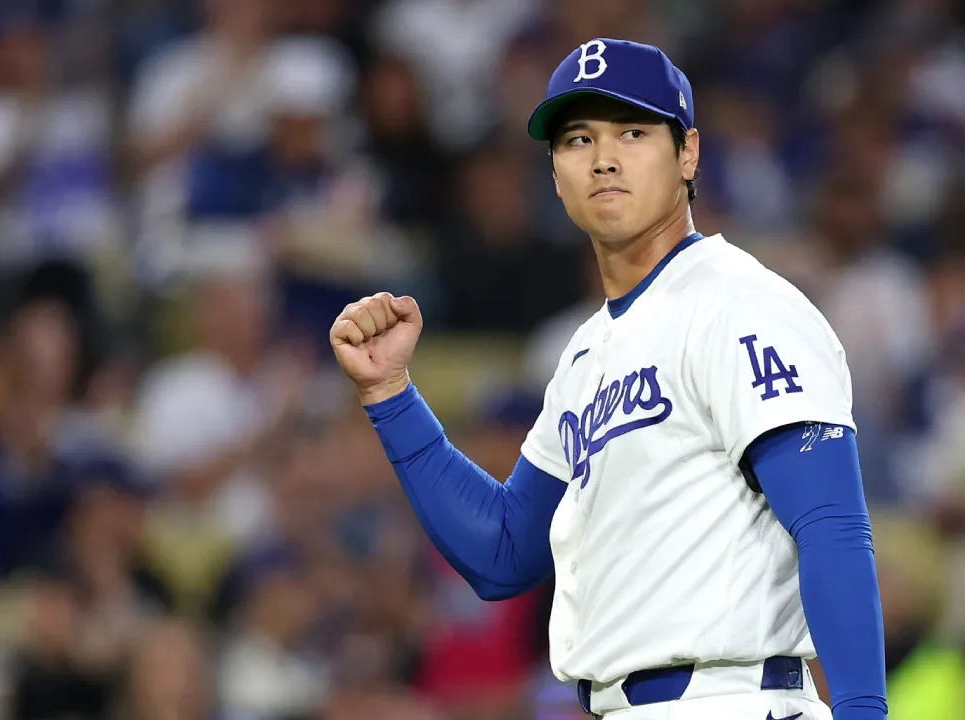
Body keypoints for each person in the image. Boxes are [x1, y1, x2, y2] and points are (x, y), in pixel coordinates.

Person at [330, 38, 888, 720]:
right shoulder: (585, 355)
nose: (603, 157)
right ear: (557, 174)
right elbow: (503, 552)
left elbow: (830, 523)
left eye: (632, 130)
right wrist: (391, 397)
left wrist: (864, 711)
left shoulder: (744, 305)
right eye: (577, 139)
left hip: (731, 698)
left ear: (688, 154)